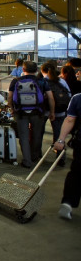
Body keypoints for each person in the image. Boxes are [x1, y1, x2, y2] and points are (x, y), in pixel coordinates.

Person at [7, 61, 55, 168]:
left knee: (23, 136)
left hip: (20, 112)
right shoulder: (41, 81)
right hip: (38, 112)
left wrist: (11, 109)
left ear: (23, 70)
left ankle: (27, 161)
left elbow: (10, 97)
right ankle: (34, 157)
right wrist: (52, 112)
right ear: (36, 70)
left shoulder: (16, 81)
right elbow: (50, 97)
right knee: (37, 135)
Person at [53, 92, 81, 220]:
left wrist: (61, 140)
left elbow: (70, 119)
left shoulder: (77, 98)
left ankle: (68, 203)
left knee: (76, 173)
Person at [41, 62, 70, 167]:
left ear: (42, 70)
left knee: (39, 133)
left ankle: (36, 155)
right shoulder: (62, 81)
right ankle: (60, 158)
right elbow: (69, 95)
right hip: (60, 111)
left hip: (43, 111)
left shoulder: (42, 81)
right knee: (59, 135)